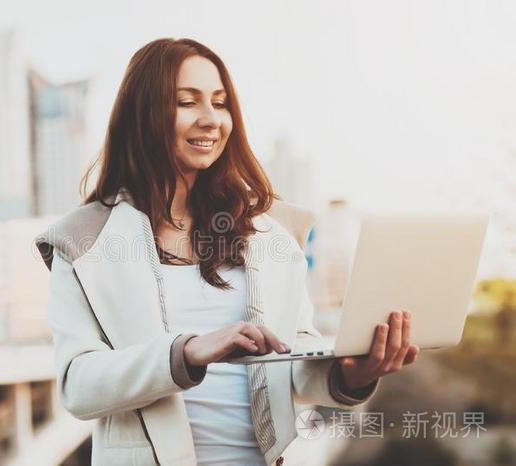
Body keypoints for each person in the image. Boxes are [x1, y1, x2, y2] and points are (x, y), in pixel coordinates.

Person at [35, 38, 420, 466]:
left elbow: (291, 359)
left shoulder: (269, 235)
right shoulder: (84, 241)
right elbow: (79, 386)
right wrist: (188, 351)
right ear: (142, 115)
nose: (210, 120)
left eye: (220, 104)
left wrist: (352, 374)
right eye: (187, 102)